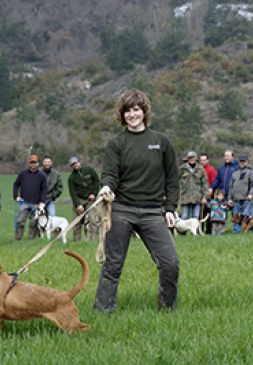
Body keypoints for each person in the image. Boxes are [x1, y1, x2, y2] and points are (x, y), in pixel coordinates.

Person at [93, 89, 180, 313]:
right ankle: (103, 312)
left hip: (153, 212)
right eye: (127, 111)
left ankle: (167, 311)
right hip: (122, 209)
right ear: (122, 115)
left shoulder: (161, 141)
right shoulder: (117, 144)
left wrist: (170, 208)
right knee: (112, 265)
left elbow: (172, 178)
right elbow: (110, 174)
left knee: (170, 263)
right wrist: (106, 188)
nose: (132, 115)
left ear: (144, 111)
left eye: (136, 109)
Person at [13, 154, 48, 240]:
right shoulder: (23, 174)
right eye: (31, 163)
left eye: (34, 162)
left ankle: (31, 239)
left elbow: (44, 189)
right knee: (20, 221)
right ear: (29, 164)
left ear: (38, 164)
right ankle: (18, 239)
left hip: (36, 203)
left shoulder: (42, 175)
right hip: (24, 202)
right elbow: (16, 184)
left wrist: (42, 202)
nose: (33, 164)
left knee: (33, 223)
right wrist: (16, 196)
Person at [68, 156, 100, 241]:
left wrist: (94, 193)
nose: (75, 165)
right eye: (73, 165)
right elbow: (72, 192)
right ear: (71, 167)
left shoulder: (89, 170)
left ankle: (93, 240)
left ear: (79, 162)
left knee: (92, 220)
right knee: (77, 221)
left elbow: (97, 182)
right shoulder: (71, 178)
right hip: (79, 199)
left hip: (91, 199)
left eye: (76, 163)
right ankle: (76, 241)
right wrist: (78, 205)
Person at [228, 155, 253, 233]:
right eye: (240, 161)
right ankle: (237, 234)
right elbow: (231, 186)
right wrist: (230, 198)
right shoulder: (235, 173)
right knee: (236, 219)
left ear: (247, 162)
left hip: (246, 200)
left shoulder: (251, 172)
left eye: (243, 161)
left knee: (247, 218)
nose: (242, 163)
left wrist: (251, 193)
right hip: (236, 200)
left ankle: (248, 234)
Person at [178, 151, 208, 220]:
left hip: (197, 197)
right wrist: (177, 192)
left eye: (193, 157)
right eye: (190, 157)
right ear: (187, 158)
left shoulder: (201, 169)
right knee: (184, 217)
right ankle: (184, 231)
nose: (191, 159)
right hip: (185, 196)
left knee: (196, 218)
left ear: (196, 158)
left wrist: (205, 197)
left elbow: (205, 183)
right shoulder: (182, 168)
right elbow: (175, 181)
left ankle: (195, 231)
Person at [199, 153, 217, 234]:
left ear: (208, 160)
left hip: (209, 197)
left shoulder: (211, 170)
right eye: (201, 160)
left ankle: (208, 231)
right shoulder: (199, 169)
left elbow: (213, 183)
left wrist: (208, 194)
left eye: (204, 160)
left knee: (208, 215)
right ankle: (200, 230)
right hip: (199, 196)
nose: (202, 162)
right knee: (200, 215)